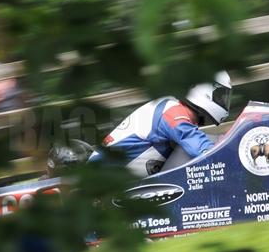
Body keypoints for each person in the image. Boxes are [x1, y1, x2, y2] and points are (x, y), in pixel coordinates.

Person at [89, 71, 232, 177]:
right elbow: (205, 151)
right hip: (101, 182)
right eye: (220, 95)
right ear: (206, 90)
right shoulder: (173, 112)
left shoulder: (171, 107)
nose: (223, 101)